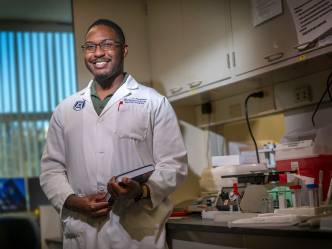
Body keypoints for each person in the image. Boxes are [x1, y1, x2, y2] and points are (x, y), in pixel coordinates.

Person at [40, 19, 188, 249]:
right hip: (82, 233)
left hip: (136, 235)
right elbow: (51, 170)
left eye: (107, 44)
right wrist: (73, 202)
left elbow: (174, 165)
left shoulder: (154, 102)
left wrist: (142, 190)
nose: (97, 53)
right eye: (90, 47)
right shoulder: (66, 109)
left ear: (124, 50)